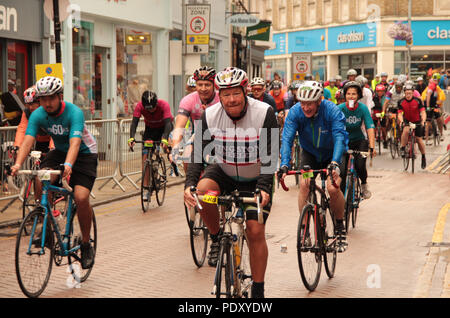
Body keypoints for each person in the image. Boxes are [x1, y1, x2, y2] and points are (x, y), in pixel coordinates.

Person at [184, 67, 278, 298]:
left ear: (245, 91)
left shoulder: (264, 111)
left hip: (256, 176)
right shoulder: (209, 114)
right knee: (202, 192)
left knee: (255, 231)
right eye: (226, 94)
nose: (231, 99)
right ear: (219, 95)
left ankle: (258, 289)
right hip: (224, 170)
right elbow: (199, 153)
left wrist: (264, 187)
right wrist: (189, 184)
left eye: (236, 93)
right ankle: (216, 237)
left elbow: (270, 153)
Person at [11, 76, 98, 269]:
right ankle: (48, 227)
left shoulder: (74, 112)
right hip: (58, 152)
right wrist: (17, 164)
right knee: (41, 179)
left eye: (51, 98)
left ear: (60, 96)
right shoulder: (38, 114)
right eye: (43, 99)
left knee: (81, 197)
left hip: (84, 154)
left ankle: (85, 244)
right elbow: (28, 140)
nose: (47, 103)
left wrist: (68, 164)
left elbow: (75, 143)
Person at [278, 81, 349, 251]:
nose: (306, 107)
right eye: (302, 103)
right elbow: (287, 139)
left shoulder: (331, 110)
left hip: (333, 154)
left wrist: (334, 162)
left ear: (319, 101)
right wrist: (284, 164)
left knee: (332, 188)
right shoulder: (295, 112)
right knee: (304, 184)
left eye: (310, 103)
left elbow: (339, 136)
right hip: (310, 154)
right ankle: (305, 231)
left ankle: (340, 227)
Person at [171, 66, 219, 172]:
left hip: (220, 137)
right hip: (197, 137)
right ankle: (191, 184)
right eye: (200, 84)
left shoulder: (221, 98)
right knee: (187, 156)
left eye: (207, 85)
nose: (203, 88)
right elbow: (179, 126)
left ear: (214, 86)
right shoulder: (189, 100)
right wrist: (175, 148)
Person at [338, 81, 376, 200]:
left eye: (354, 94)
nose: (351, 96)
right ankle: (341, 196)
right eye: (348, 93)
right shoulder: (340, 108)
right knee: (342, 170)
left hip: (359, 140)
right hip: (344, 142)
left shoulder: (363, 108)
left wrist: (372, 146)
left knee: (360, 165)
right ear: (345, 95)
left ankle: (364, 184)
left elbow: (370, 127)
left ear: (358, 95)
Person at [14, 86, 54, 154]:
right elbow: (22, 129)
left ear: (40, 102)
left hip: (55, 140)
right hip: (40, 141)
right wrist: (18, 146)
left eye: (32, 104)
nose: (30, 107)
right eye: (28, 104)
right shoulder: (27, 112)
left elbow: (55, 131)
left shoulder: (49, 110)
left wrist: (52, 148)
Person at [398, 82, 427, 169]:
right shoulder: (401, 101)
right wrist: (402, 121)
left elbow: (423, 112)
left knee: (419, 139)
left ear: (413, 93)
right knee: (406, 130)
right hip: (407, 121)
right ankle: (403, 148)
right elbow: (399, 114)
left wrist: (423, 121)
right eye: (406, 93)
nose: (408, 95)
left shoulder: (417, 101)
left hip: (417, 121)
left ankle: (423, 156)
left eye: (410, 93)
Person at [422, 73, 446, 143]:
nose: (436, 82)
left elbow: (440, 95)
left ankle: (441, 134)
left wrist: (439, 102)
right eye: (435, 80)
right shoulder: (431, 87)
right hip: (429, 106)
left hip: (435, 105)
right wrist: (428, 107)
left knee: (439, 118)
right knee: (428, 122)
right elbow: (428, 97)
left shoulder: (436, 87)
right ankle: (426, 140)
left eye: (437, 80)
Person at [372, 84, 388, 148]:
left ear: (384, 91)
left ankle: (385, 141)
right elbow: (371, 105)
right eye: (378, 91)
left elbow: (386, 105)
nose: (380, 93)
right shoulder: (373, 97)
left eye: (381, 91)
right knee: (373, 128)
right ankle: (372, 142)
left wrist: (385, 112)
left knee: (383, 129)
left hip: (382, 113)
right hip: (375, 113)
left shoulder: (385, 98)